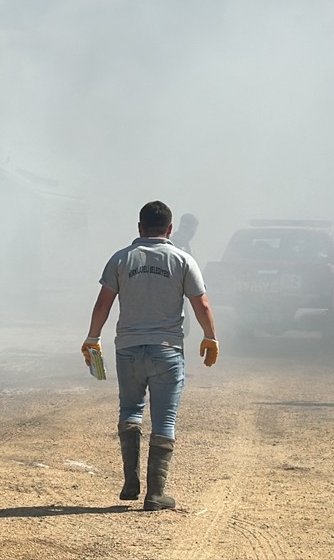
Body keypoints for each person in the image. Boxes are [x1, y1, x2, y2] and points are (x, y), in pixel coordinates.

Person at [81, 201, 219, 511]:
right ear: (169, 229)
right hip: (167, 350)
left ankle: (131, 483)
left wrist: (93, 338)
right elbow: (202, 304)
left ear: (140, 227)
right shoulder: (182, 259)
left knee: (130, 409)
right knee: (164, 418)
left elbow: (103, 304)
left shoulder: (121, 258)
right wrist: (210, 336)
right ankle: (156, 494)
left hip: (128, 349)